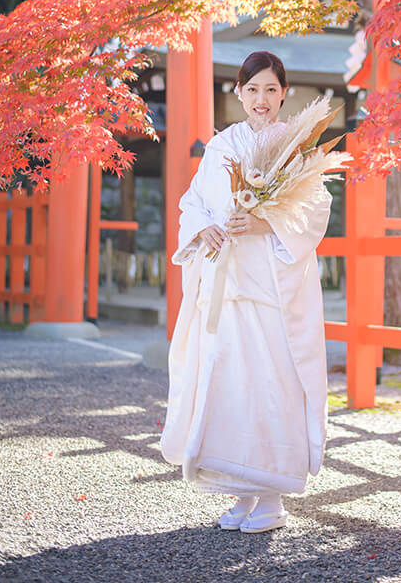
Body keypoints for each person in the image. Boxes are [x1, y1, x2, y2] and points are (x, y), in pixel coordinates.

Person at [160, 51, 332, 533]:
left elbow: (314, 212)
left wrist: (261, 223)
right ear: (237, 92)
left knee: (269, 384)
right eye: (252, 89)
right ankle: (241, 492)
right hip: (225, 283)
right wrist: (203, 230)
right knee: (227, 383)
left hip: (271, 287)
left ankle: (272, 497)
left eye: (271, 90)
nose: (262, 99)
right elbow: (193, 201)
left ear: (284, 94)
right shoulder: (221, 146)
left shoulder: (294, 148)